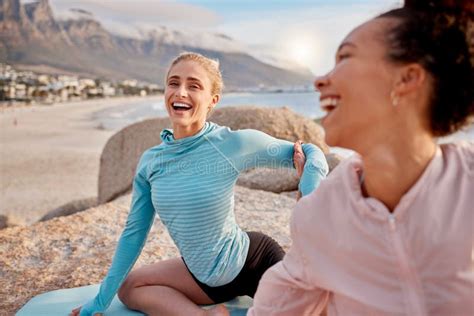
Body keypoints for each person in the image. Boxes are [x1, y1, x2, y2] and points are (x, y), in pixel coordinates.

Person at [249, 7, 473, 315]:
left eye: (345, 58)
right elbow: (276, 306)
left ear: (407, 78)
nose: (319, 81)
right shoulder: (318, 216)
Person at [70, 52, 328, 316]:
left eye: (194, 86)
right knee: (129, 288)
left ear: (212, 100)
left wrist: (308, 190)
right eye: (174, 83)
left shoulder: (231, 144)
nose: (181, 92)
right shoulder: (151, 162)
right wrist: (99, 302)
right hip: (201, 277)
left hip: (253, 262)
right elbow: (134, 233)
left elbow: (310, 151)